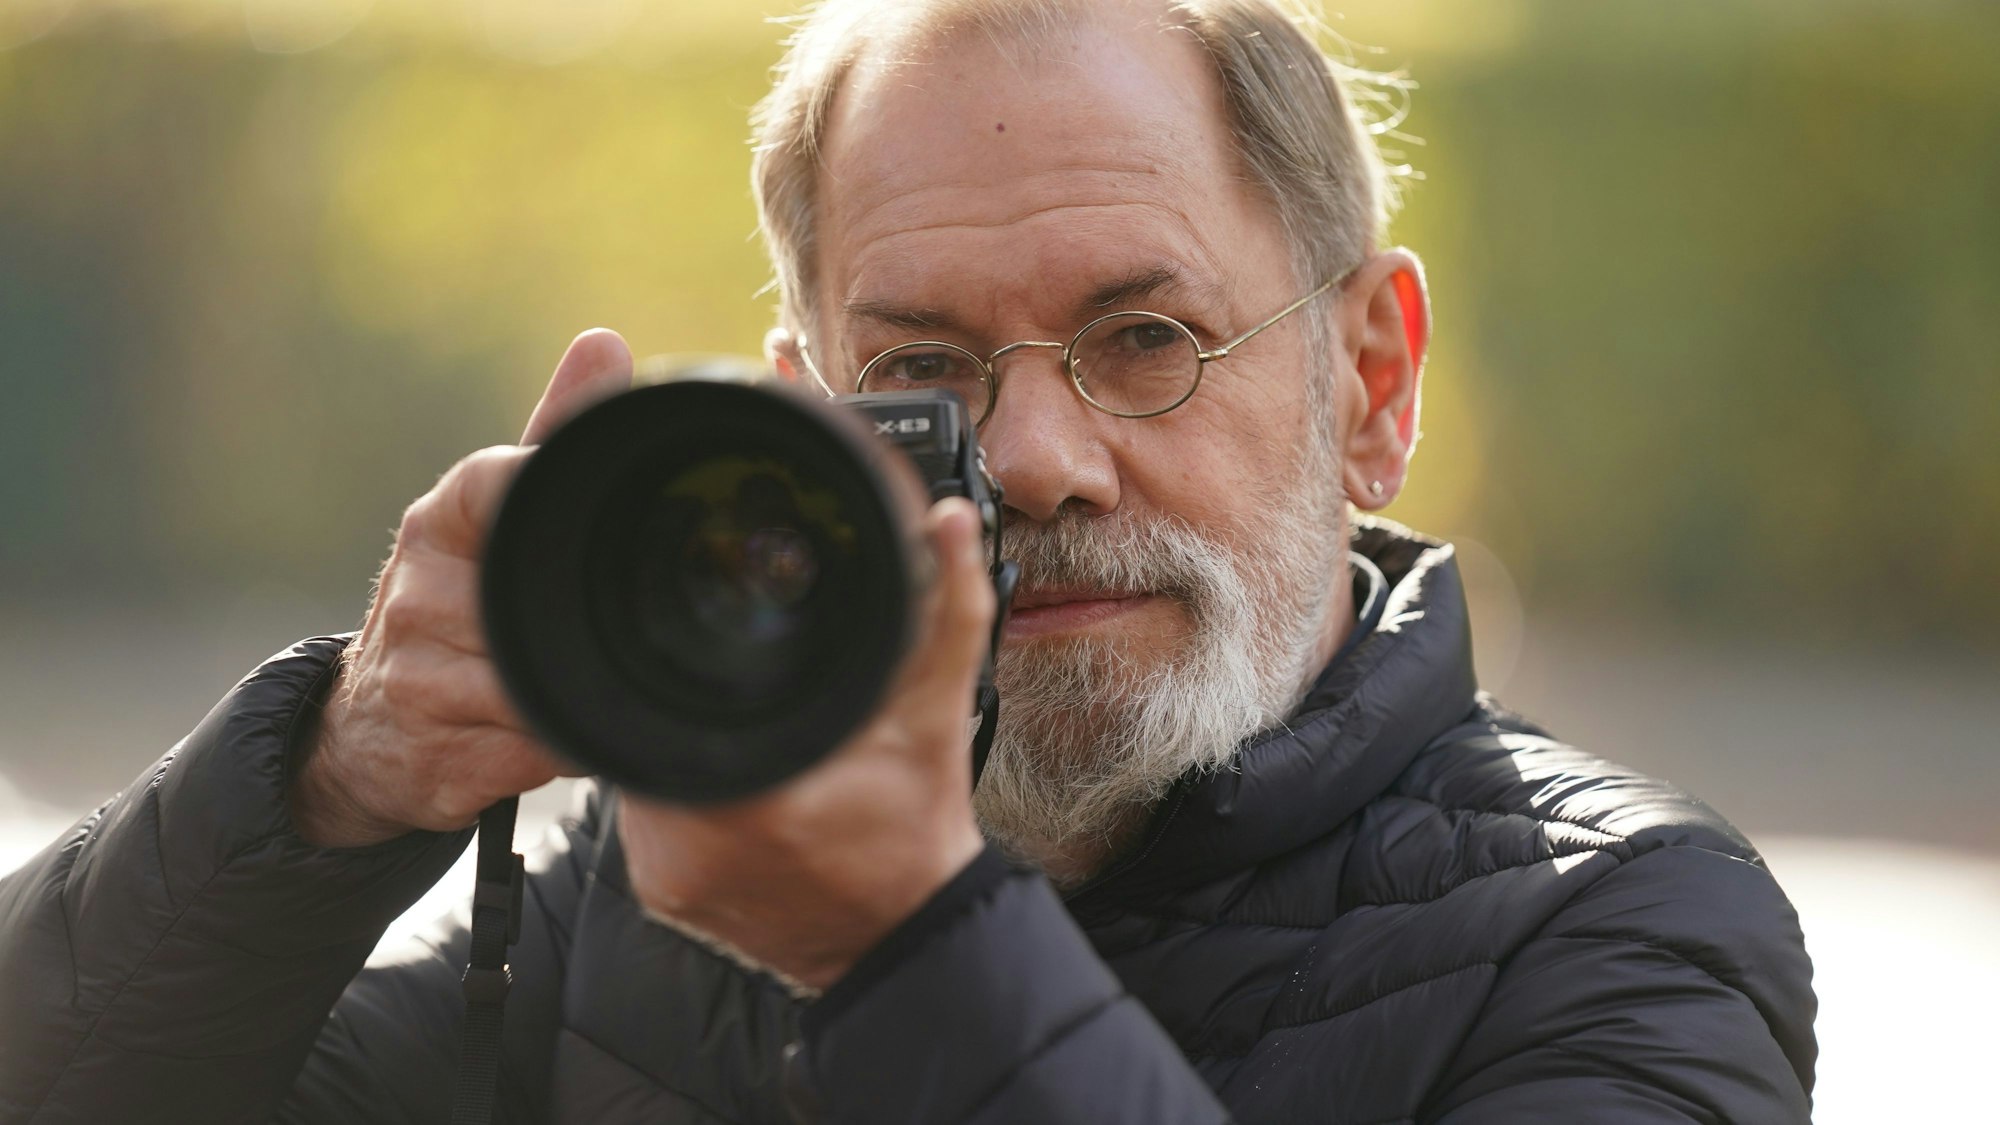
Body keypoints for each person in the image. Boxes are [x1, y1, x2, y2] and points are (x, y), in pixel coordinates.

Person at [0, 0, 1817, 1121]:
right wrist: (324, 787)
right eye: (925, 374)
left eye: (1146, 336)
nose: (1033, 455)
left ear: (1370, 379)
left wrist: (905, 951)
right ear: (813, 427)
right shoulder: (638, 887)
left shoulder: (1630, 936)